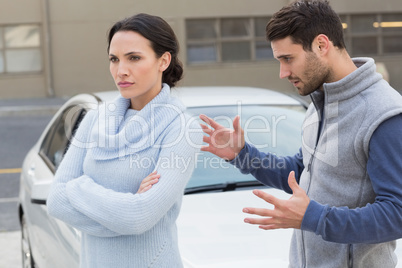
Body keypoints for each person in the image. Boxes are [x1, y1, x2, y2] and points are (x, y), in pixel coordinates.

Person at [199, 0, 402, 267]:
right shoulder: (321, 100)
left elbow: (396, 214)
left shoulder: (383, 114)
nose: (283, 73)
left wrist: (314, 218)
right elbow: (303, 173)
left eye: (288, 59)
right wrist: (243, 155)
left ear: (321, 45)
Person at [47, 13, 201, 268]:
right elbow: (56, 202)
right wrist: (125, 210)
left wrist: (79, 187)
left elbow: (138, 217)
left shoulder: (182, 128)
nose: (121, 70)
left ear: (163, 60)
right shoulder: (95, 119)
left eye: (134, 58)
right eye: (114, 59)